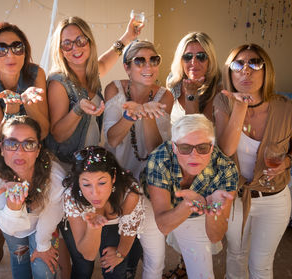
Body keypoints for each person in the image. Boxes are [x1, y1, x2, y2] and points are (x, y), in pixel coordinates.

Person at [0, 21, 50, 265]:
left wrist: (30, 104)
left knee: (36, 198)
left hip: (32, 145)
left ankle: (36, 238)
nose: (10, 54)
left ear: (25, 51)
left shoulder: (36, 74)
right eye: (1, 48)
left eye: (17, 47)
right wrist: (14, 107)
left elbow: (44, 129)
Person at [214, 43, 292, 278]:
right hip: (236, 196)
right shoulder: (222, 102)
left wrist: (286, 164)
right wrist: (240, 107)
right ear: (230, 71)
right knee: (236, 258)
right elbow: (226, 150)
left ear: (266, 70)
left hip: (274, 199)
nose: (246, 70)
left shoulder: (286, 108)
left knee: (261, 265)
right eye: (238, 64)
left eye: (254, 63)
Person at [103, 40, 172, 278]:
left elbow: (156, 151)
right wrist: (130, 115)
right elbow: (111, 140)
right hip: (117, 181)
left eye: (154, 60)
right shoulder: (114, 89)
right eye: (139, 60)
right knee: (118, 254)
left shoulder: (166, 96)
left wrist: (150, 115)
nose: (148, 65)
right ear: (127, 67)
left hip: (151, 182)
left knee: (154, 254)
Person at [146, 114, 238, 278]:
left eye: (202, 148)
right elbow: (164, 225)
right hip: (157, 206)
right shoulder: (160, 158)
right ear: (174, 147)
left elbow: (215, 236)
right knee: (154, 260)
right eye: (185, 148)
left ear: (212, 146)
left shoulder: (226, 168)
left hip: (197, 215)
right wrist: (187, 205)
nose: (194, 155)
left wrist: (213, 211)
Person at [45, 16, 142, 166]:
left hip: (89, 165)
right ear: (61, 50)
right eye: (67, 44)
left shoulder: (91, 74)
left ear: (89, 41)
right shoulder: (58, 83)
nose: (75, 48)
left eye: (80, 41)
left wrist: (128, 37)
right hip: (66, 166)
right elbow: (58, 134)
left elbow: (104, 61)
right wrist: (78, 110)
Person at [0, 115, 65, 279]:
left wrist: (43, 245)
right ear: (2, 148)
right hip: (13, 226)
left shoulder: (56, 176)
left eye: (29, 144)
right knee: (20, 263)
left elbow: (51, 216)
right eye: (11, 143)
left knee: (42, 269)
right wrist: (13, 207)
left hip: (44, 225)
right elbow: (8, 228)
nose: (19, 151)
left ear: (38, 150)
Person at [62, 146, 144, 279]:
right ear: (78, 182)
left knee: (116, 269)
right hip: (82, 224)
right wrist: (93, 228)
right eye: (86, 185)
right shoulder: (72, 196)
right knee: (83, 267)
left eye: (102, 183)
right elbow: (88, 254)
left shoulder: (129, 193)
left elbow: (129, 232)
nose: (95, 193)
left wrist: (120, 254)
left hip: (119, 225)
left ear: (113, 177)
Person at [166, 32, 221, 123]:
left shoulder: (217, 86)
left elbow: (197, 128)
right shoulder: (173, 80)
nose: (194, 63)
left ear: (210, 60)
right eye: (188, 57)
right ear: (180, 60)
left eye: (201, 56)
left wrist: (191, 93)